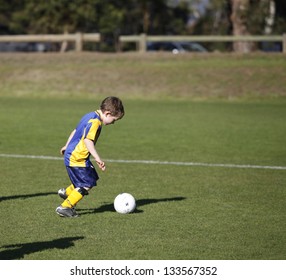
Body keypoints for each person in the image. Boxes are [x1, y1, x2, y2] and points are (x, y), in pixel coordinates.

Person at [56, 96, 125, 217]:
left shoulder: (89, 115)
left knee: (91, 177)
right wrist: (97, 158)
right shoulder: (95, 122)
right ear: (108, 113)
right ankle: (65, 207)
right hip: (77, 157)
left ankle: (66, 192)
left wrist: (66, 146)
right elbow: (88, 141)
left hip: (74, 154)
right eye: (114, 120)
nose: (113, 123)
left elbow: (75, 131)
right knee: (86, 184)